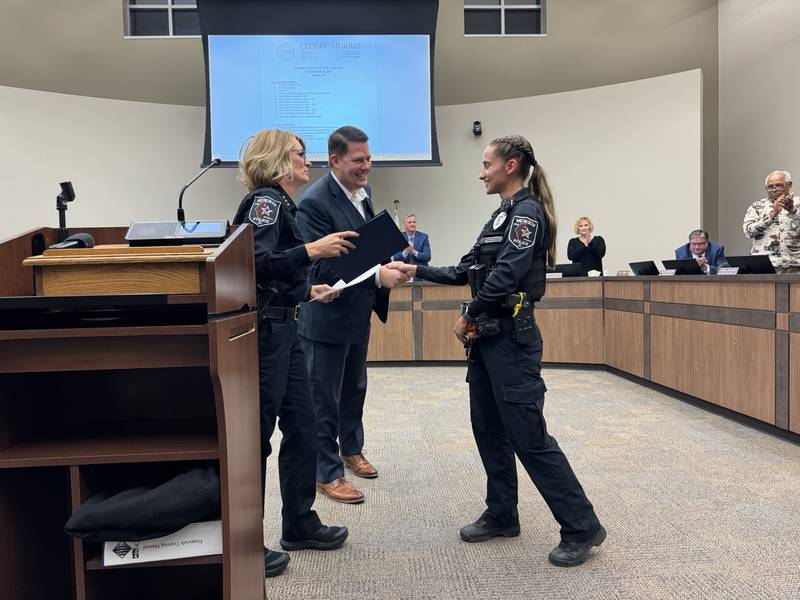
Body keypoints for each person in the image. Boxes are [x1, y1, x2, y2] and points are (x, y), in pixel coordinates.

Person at [388, 134, 605, 567]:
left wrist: (467, 312)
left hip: (511, 340)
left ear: (510, 166)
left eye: (486, 164)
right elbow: (469, 267)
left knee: (529, 436)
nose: (481, 172)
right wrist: (417, 269)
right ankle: (502, 513)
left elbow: (505, 277)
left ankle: (582, 526)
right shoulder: (499, 217)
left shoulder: (527, 215)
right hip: (487, 341)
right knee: (488, 428)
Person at [233, 129, 356, 578]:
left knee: (303, 428)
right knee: (258, 439)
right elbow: (252, 263)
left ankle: (300, 523)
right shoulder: (266, 202)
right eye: (302, 154)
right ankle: (246, 543)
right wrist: (312, 250)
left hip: (287, 329)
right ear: (279, 160)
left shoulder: (282, 205)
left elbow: (276, 273)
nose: (309, 161)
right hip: (265, 336)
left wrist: (308, 288)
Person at [296, 126, 409, 504]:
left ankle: (351, 449)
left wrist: (385, 257)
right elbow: (321, 271)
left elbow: (364, 245)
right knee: (322, 397)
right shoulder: (313, 202)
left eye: (369, 158)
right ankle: (325, 471)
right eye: (358, 160)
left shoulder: (365, 193)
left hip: (357, 313)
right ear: (334, 161)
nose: (367, 167)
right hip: (326, 319)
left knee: (353, 389)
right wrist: (378, 274)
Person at [743, 170, 800, 272]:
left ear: (789, 185)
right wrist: (772, 215)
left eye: (779, 185)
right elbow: (748, 231)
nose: (774, 190)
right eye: (770, 187)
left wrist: (793, 211)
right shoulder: (757, 206)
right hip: (764, 265)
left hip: (794, 266)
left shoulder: (798, 203)